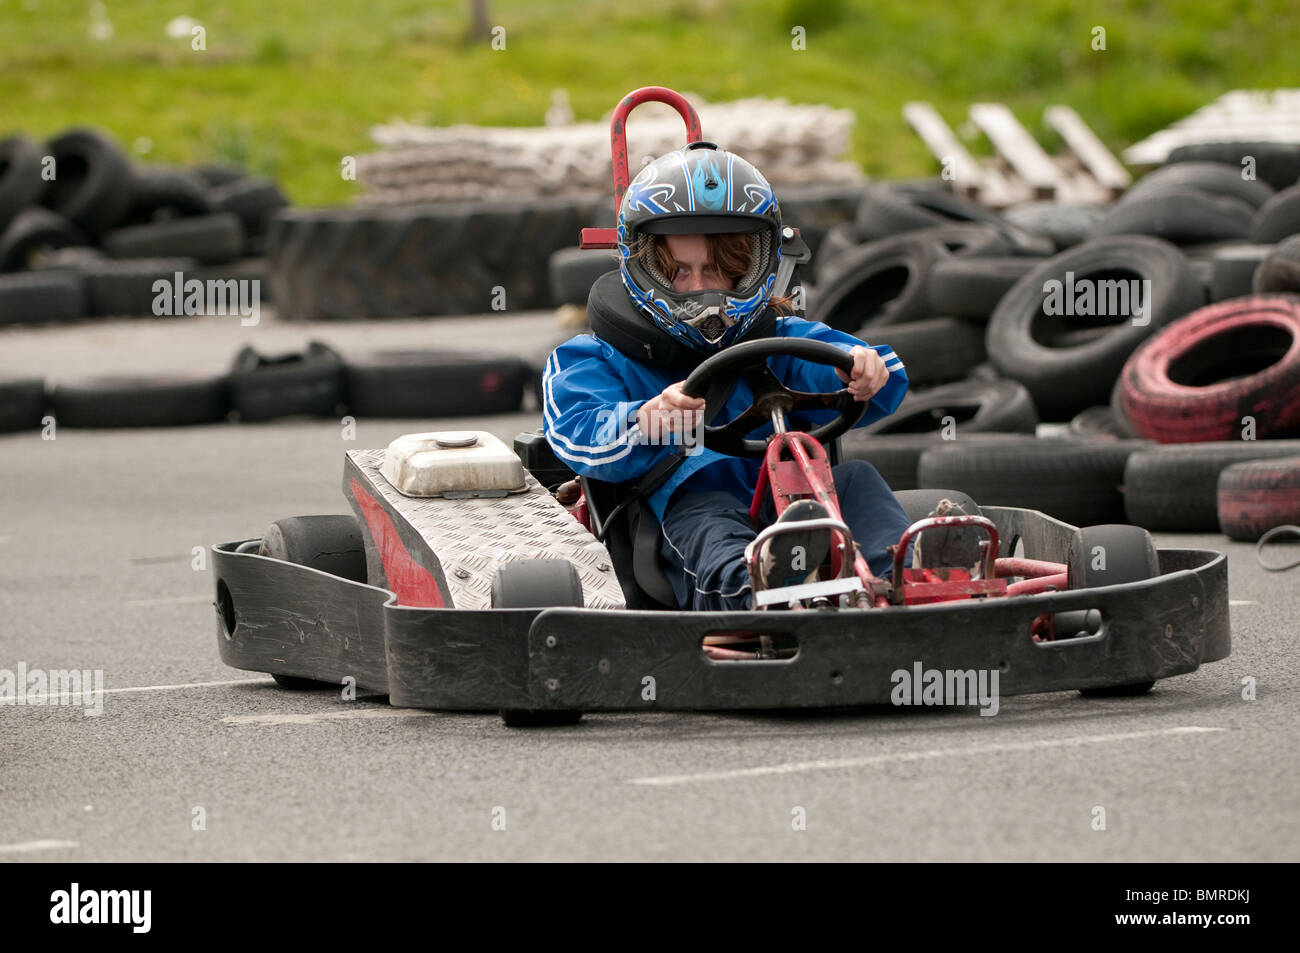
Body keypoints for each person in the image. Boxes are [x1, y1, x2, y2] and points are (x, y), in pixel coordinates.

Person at [542, 141, 915, 610]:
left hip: (795, 501)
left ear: (754, 264)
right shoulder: (593, 358)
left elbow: (867, 365)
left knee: (855, 478)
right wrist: (649, 418)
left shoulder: (783, 336)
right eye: (679, 271)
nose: (701, 289)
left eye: (720, 270)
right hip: (678, 520)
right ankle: (760, 597)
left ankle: (907, 580)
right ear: (642, 265)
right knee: (706, 503)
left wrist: (863, 369)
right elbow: (578, 435)